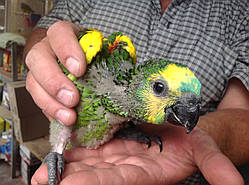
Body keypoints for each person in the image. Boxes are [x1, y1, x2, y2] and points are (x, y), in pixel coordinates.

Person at [24, 0, 249, 184]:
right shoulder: (114, 49)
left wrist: (189, 137)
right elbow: (43, 30)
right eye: (159, 88)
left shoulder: (240, 11)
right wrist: (46, 53)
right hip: (72, 145)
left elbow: (242, 111)